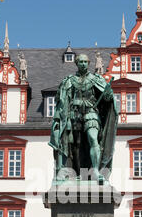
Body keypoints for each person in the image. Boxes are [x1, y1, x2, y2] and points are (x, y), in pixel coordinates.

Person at [49, 53, 117, 183]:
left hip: (91, 112)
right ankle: (68, 171)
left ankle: (95, 171)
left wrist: (108, 94)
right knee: (72, 144)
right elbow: (62, 102)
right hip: (73, 114)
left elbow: (107, 100)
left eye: (85, 62)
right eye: (80, 62)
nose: (83, 64)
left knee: (93, 138)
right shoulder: (69, 80)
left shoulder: (96, 80)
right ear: (76, 63)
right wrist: (58, 119)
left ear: (89, 63)